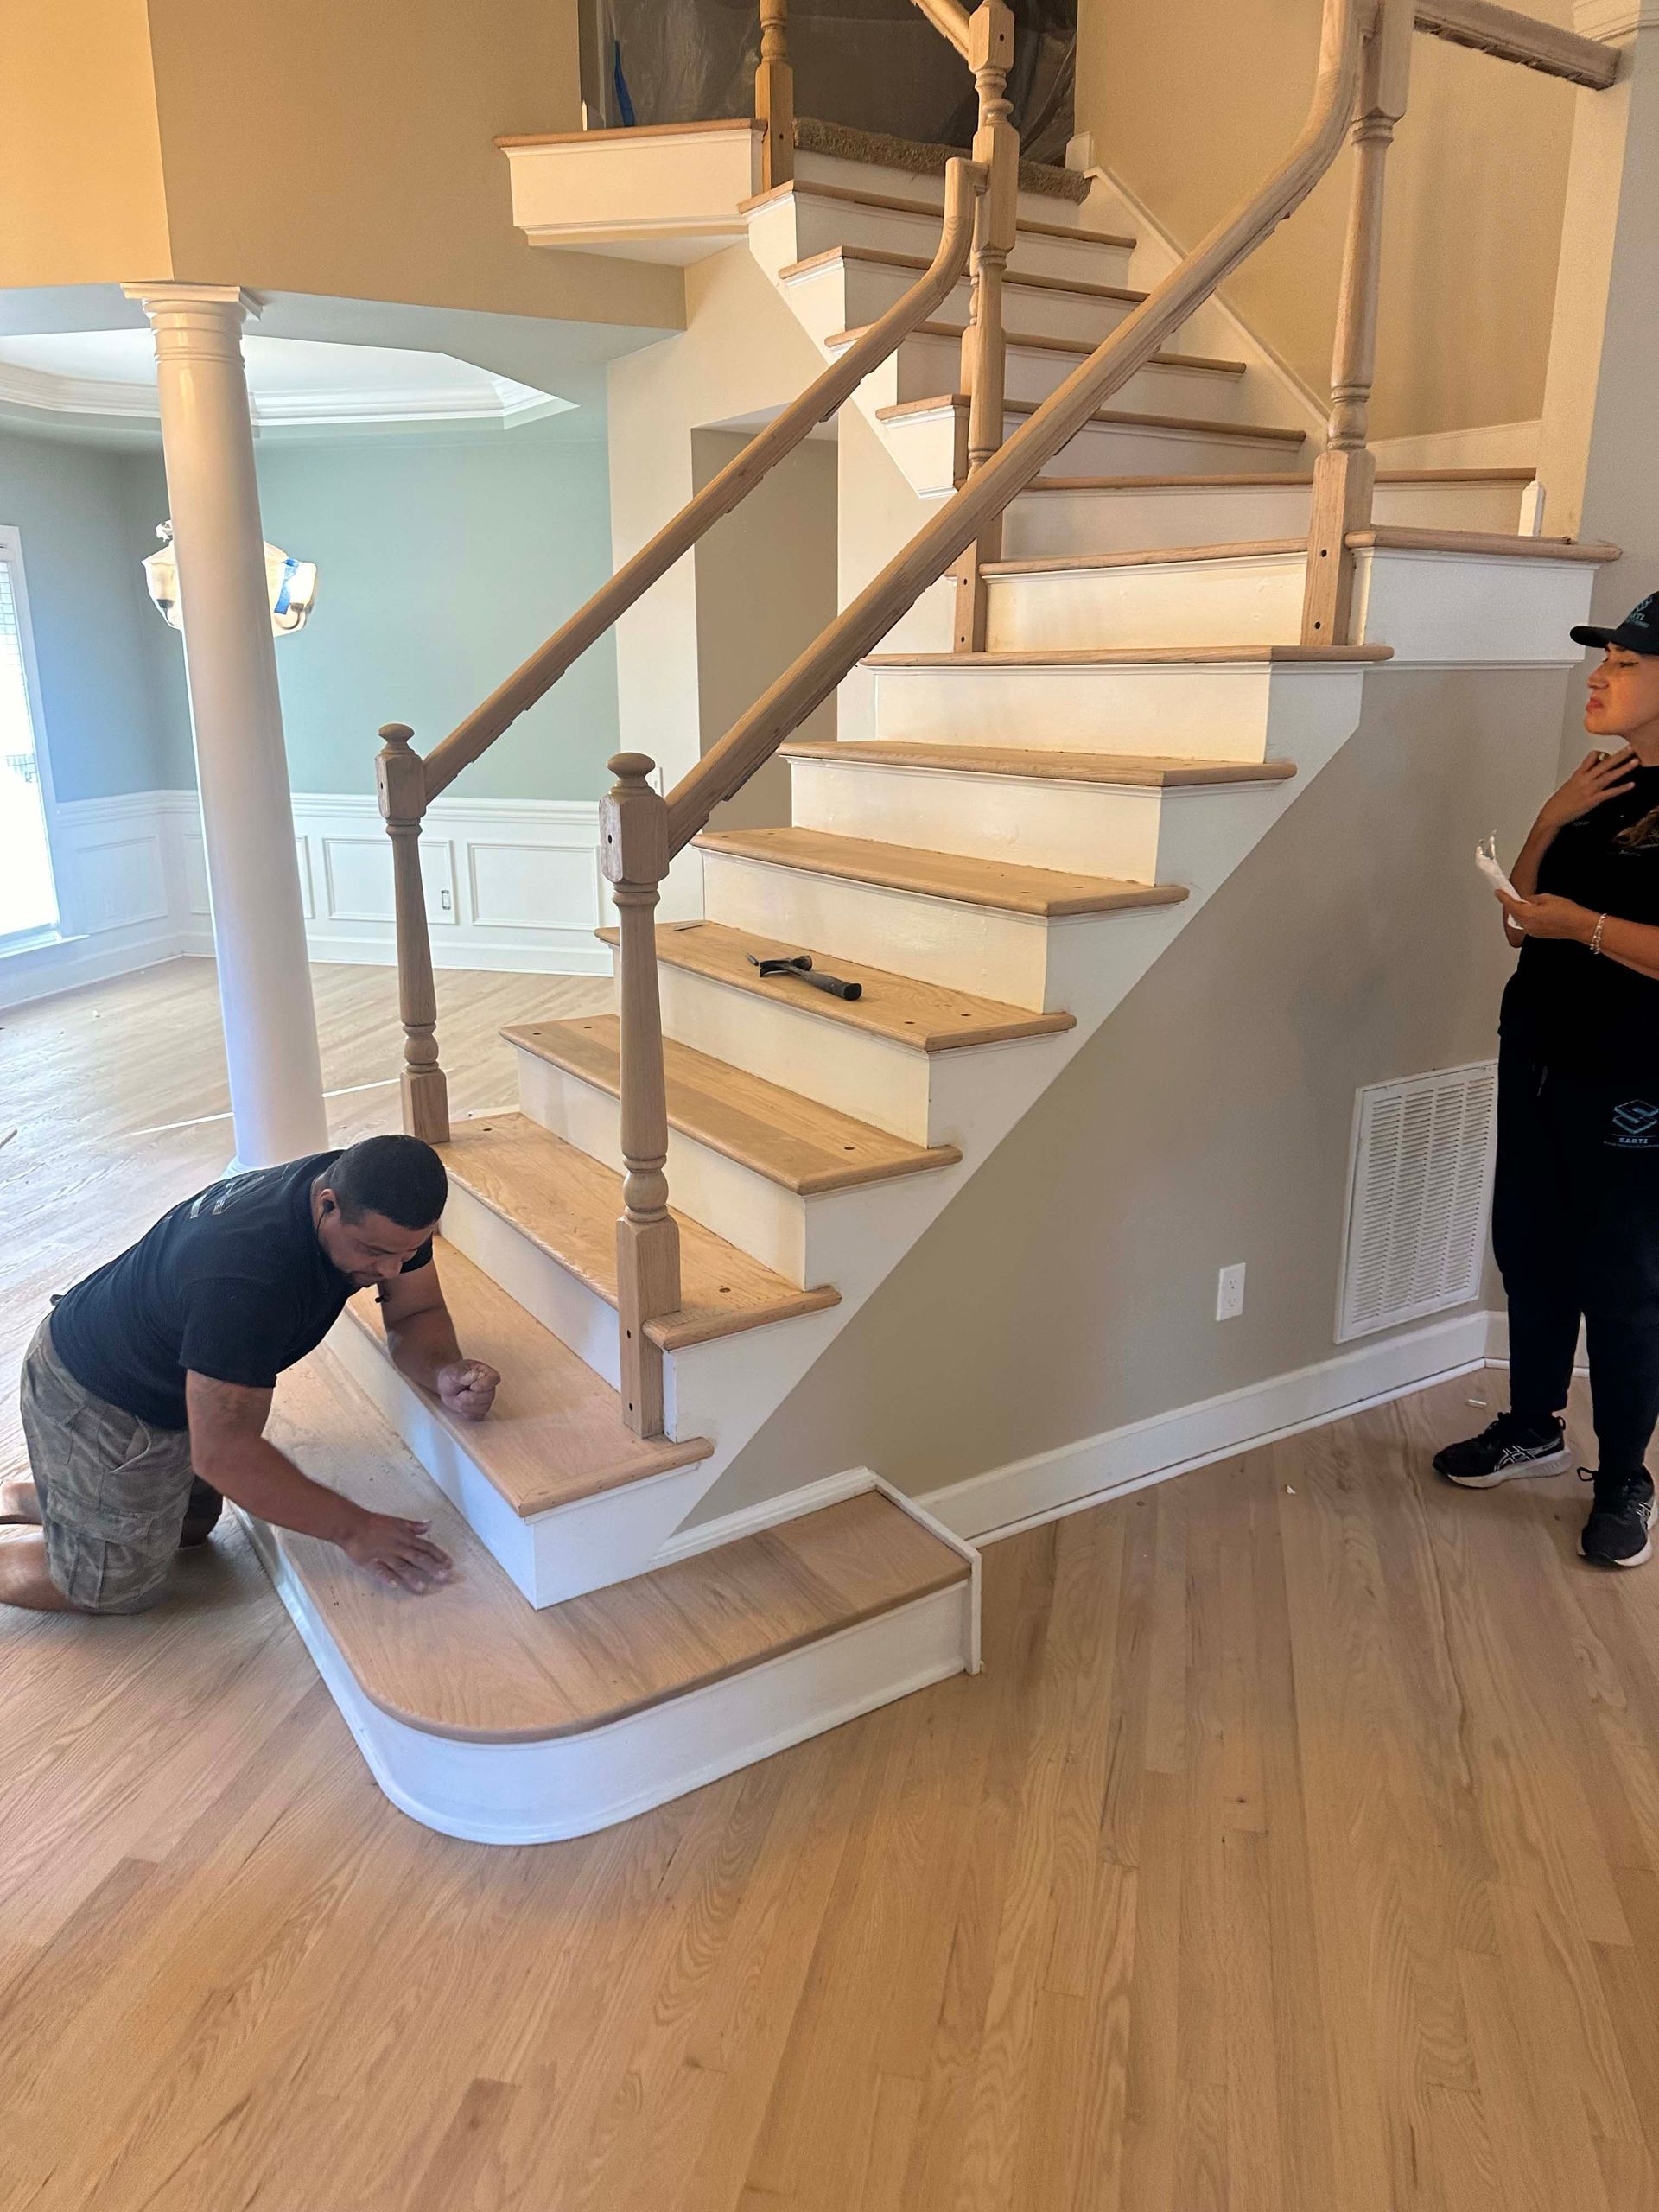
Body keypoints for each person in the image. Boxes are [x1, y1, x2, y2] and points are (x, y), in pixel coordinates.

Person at [1, 1134, 500, 1614]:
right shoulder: (247, 1280)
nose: (392, 1270)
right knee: (110, 1587)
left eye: (407, 1253)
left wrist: (443, 1372)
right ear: (327, 1204)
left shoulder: (378, 1200)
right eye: (374, 1253)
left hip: (172, 1382)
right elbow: (225, 1455)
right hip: (95, 1396)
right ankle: (75, 1498)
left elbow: (415, 1315)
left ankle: (61, 1497)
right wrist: (355, 1529)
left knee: (191, 1529)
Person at [1434, 594, 1659, 1568]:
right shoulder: (1604, 783)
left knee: (1622, 1285)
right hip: (1535, 1057)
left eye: (1626, 663)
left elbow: (1569, 924)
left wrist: (1590, 931)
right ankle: (1530, 1424)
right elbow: (1521, 921)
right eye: (1603, 658)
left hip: (1631, 1080)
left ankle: (1624, 1481)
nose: (1599, 677)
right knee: (1529, 1251)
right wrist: (1547, 816)